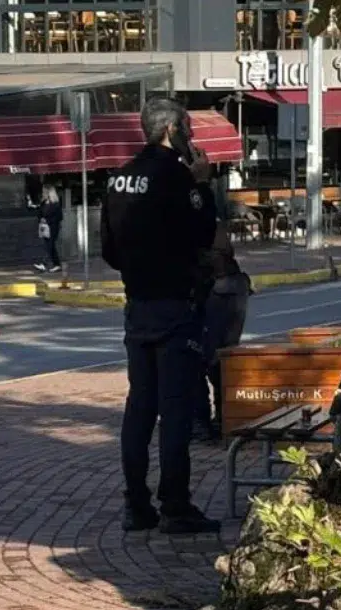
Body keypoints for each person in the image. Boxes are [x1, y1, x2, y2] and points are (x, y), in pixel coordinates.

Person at [101, 96, 221, 535]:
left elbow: (109, 249)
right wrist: (203, 185)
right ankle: (175, 504)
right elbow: (204, 232)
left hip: (137, 305)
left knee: (139, 408)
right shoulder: (176, 176)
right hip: (175, 304)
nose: (191, 136)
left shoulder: (119, 178)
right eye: (188, 128)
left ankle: (136, 504)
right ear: (172, 130)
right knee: (175, 409)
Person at [193, 222, 252, 442]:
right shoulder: (206, 222)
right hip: (228, 288)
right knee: (219, 358)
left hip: (221, 291)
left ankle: (206, 421)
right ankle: (221, 418)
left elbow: (218, 252)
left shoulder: (202, 225)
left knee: (207, 358)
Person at [33, 185, 64, 273]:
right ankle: (57, 265)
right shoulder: (43, 203)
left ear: (49, 193)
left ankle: (43, 264)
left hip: (53, 228)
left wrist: (48, 220)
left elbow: (59, 217)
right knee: (51, 246)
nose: (43, 194)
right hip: (45, 228)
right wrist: (41, 219)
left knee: (49, 246)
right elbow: (39, 214)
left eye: (44, 192)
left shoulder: (56, 204)